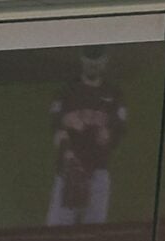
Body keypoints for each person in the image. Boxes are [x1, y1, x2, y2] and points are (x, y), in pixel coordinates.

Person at [46, 45, 127, 227]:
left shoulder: (113, 94)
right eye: (90, 62)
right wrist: (68, 156)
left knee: (95, 231)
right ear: (82, 61)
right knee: (57, 231)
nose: (93, 66)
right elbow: (57, 130)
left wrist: (106, 137)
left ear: (105, 62)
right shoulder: (67, 91)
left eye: (97, 62)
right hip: (68, 172)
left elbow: (116, 133)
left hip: (98, 171)